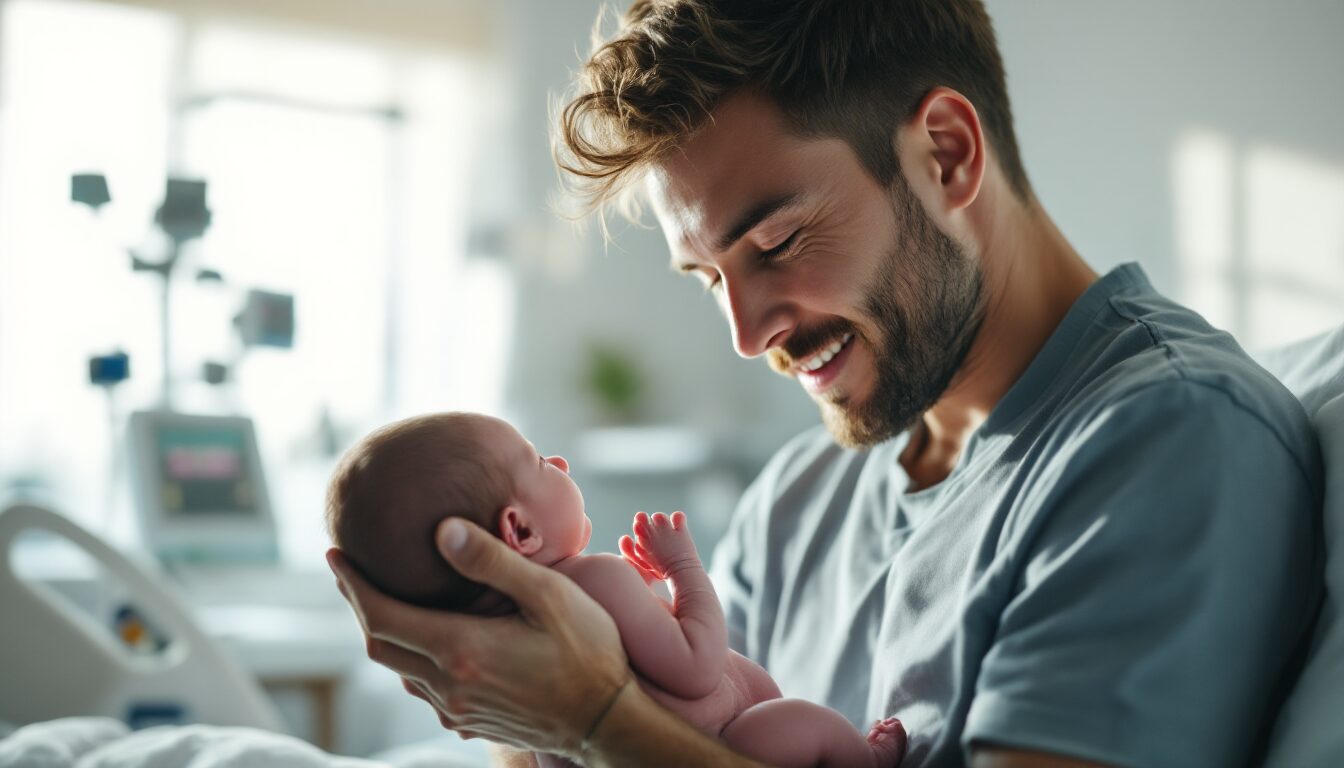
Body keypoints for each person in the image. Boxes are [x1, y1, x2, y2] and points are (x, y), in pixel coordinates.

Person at [328, 1, 1326, 766]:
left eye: (777, 241)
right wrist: (513, 681)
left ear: (945, 154)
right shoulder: (799, 501)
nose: (745, 331)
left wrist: (593, 718)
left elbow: (634, 736)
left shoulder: (1168, 440)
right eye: (711, 276)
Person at [325, 412, 908, 767]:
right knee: (805, 720)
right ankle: (865, 759)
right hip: (732, 746)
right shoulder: (595, 578)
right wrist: (684, 572)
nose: (557, 460)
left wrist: (646, 600)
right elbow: (697, 668)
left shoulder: (509, 646)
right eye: (537, 462)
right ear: (519, 530)